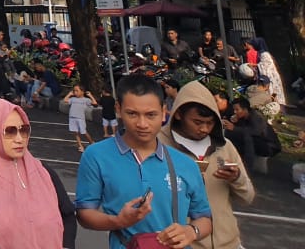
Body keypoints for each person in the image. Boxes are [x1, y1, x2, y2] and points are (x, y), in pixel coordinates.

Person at [74, 72, 212, 247]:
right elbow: (84, 213)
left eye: (151, 115)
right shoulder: (96, 156)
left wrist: (191, 232)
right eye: (132, 114)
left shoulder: (185, 164)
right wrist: (118, 221)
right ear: (118, 109)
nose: (142, 124)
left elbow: (204, 218)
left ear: (163, 113)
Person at [0, 98, 75, 249]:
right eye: (10, 131)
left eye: (24, 130)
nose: (19, 139)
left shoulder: (42, 171)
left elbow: (68, 215)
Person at [161, 80, 254, 249]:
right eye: (197, 122)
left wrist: (237, 178)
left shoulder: (224, 146)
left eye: (210, 123)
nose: (204, 129)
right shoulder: (157, 146)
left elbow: (248, 197)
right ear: (178, 114)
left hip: (229, 243)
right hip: (183, 244)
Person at [222, 97, 279, 165]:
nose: (235, 112)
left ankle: (247, 164)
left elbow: (255, 132)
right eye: (234, 110)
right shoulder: (244, 116)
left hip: (270, 147)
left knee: (245, 137)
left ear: (245, 109)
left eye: (237, 110)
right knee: (231, 135)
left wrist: (234, 128)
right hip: (260, 142)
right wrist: (235, 122)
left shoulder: (256, 117)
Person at [65, 84, 95, 152]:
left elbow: (94, 103)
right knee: (76, 132)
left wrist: (90, 95)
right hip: (72, 117)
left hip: (80, 118)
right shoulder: (73, 99)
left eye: (77, 91)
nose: (75, 92)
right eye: (74, 91)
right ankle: (80, 146)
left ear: (82, 91)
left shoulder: (86, 100)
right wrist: (69, 94)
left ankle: (92, 142)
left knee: (83, 131)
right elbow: (65, 100)